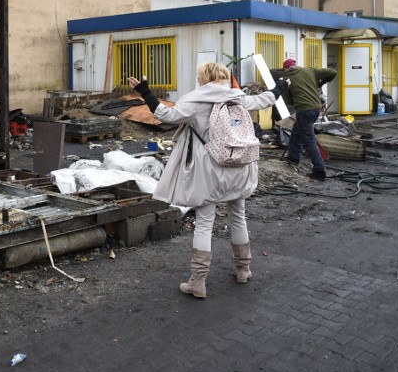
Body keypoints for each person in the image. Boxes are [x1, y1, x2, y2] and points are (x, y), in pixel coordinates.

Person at [128, 63, 287, 299]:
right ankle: (243, 270)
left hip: (209, 170)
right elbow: (266, 99)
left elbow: (164, 115)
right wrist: (281, 86)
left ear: (203, 78)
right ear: (224, 77)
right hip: (240, 166)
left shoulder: (195, 100)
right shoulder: (238, 96)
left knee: (204, 223)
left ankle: (198, 282)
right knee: (238, 216)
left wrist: (145, 91)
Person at [280, 58, 337, 180]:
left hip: (304, 110)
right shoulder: (309, 71)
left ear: (285, 68)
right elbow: (332, 72)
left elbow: (288, 101)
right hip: (316, 108)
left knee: (309, 140)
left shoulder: (285, 79)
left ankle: (319, 170)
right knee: (296, 132)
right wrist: (321, 82)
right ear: (296, 65)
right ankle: (294, 158)